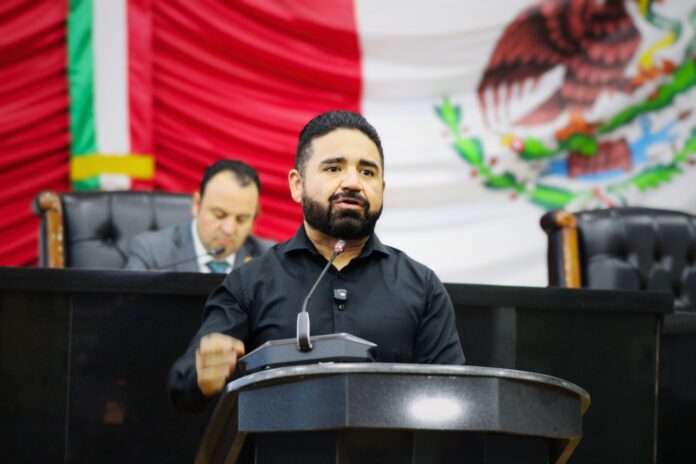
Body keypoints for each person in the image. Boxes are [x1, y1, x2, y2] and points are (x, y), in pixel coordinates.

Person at [168, 111, 465, 412]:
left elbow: (454, 399)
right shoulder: (248, 284)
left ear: (382, 190)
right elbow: (181, 386)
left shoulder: (422, 287)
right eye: (334, 168)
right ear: (297, 185)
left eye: (367, 172)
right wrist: (203, 376)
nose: (353, 182)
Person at [125, 160, 274, 273]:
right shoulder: (152, 253)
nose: (229, 229)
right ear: (197, 204)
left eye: (241, 219)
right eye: (219, 215)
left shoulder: (270, 259)